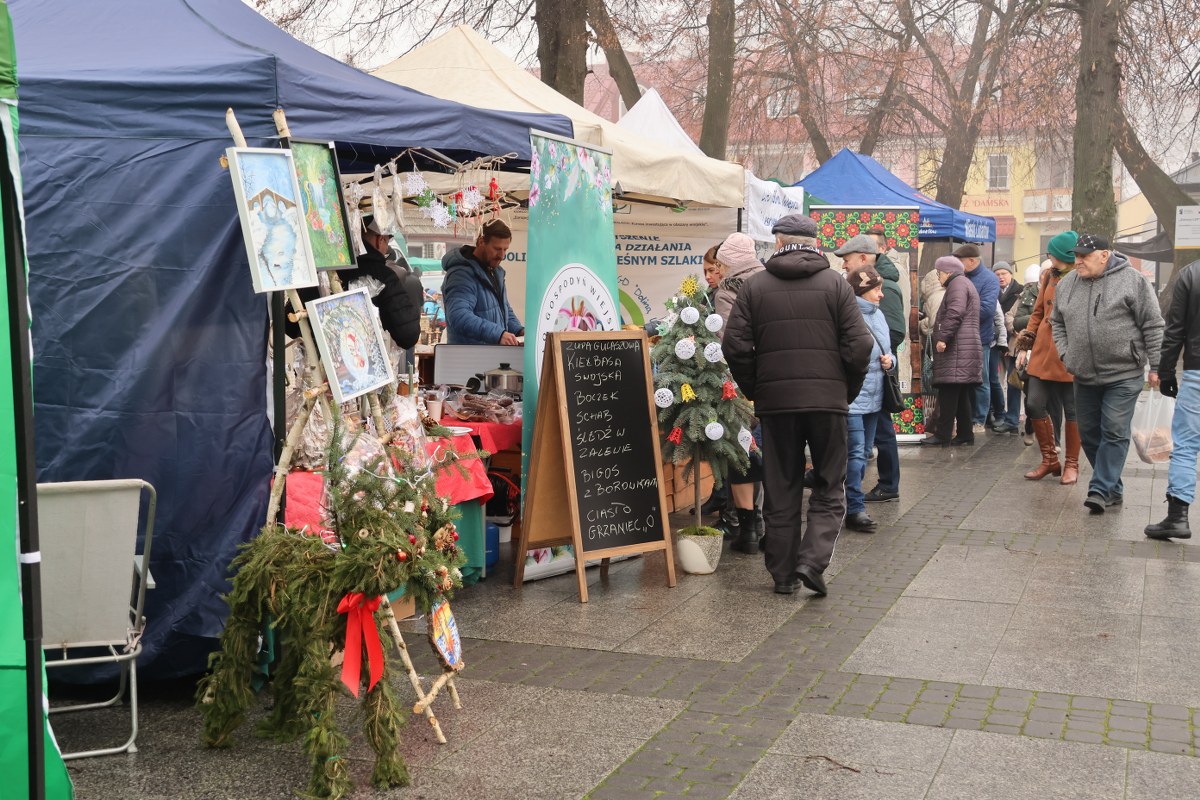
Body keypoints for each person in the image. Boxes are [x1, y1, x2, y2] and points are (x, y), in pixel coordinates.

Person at [724, 214, 873, 596]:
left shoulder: (755, 287)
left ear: (778, 243)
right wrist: (845, 390)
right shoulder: (836, 285)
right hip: (827, 403)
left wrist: (758, 388)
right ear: (814, 243)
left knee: (781, 486)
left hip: (777, 407)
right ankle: (812, 560)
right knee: (829, 483)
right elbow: (860, 345)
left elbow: (734, 346)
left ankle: (783, 574)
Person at [1052, 233, 1164, 513]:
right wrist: (1066, 354)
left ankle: (1100, 489)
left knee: (1114, 430)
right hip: (1083, 374)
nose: (1078, 261)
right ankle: (1113, 488)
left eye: (1084, 256)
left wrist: (1157, 365)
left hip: (1124, 373)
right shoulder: (1066, 285)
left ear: (1104, 255)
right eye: (1076, 256)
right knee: (1089, 433)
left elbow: (1153, 324)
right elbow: (1057, 323)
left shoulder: (1133, 281)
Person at [712, 232, 765, 553]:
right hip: (775, 380)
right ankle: (766, 524)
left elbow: (729, 340)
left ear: (729, 262)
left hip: (741, 384)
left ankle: (749, 529)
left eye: (720, 263)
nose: (718, 269)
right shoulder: (771, 281)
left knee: (741, 452)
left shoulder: (728, 290)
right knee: (767, 451)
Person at [1016, 235, 1080, 482]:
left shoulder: (1082, 276)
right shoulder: (1049, 276)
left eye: (1052, 253)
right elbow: (1038, 312)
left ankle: (1071, 464)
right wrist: (1025, 345)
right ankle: (1050, 460)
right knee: (1034, 403)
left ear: (1063, 254)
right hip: (1043, 350)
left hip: (1070, 352)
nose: (1049, 257)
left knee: (1072, 410)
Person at [1146, 260, 1200, 540]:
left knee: (1186, 446)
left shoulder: (1191, 274)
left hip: (1197, 371)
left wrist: (1166, 372)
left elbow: (1175, 329)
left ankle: (1178, 516)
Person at [844, 267, 894, 533]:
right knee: (855, 453)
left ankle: (842, 498)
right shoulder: (847, 315)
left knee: (863, 453)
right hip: (853, 398)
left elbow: (889, 350)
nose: (881, 294)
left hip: (876, 397)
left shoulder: (879, 314)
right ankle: (854, 508)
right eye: (876, 289)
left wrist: (890, 361)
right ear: (862, 291)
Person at [339, 214, 423, 350]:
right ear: (380, 240)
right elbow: (408, 335)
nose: (386, 250)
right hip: (364, 355)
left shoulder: (330, 270)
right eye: (387, 243)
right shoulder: (384, 276)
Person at [923, 256, 981, 446]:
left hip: (957, 348)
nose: (938, 277)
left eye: (939, 273)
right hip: (964, 347)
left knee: (948, 392)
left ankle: (943, 435)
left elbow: (955, 312)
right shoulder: (964, 283)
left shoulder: (957, 284)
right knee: (961, 394)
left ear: (948, 272)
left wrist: (943, 338)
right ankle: (965, 434)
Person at [865, 225, 903, 504]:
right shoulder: (873, 280)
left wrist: (880, 354)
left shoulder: (886, 285)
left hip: (880, 369)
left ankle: (889, 484)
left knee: (883, 429)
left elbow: (895, 331)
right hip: (872, 370)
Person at [442, 219, 523, 345]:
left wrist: (519, 330)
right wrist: (498, 334)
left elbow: (504, 310)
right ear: (481, 242)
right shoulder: (461, 275)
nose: (502, 255)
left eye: (505, 249)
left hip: (490, 354)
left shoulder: (495, 272)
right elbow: (458, 316)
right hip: (470, 355)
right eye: (497, 249)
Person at [954, 244, 1000, 432]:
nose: (957, 264)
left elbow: (987, 310)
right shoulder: (959, 276)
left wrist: (958, 313)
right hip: (958, 338)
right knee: (962, 381)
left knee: (981, 380)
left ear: (972, 261)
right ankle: (965, 418)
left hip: (980, 338)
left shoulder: (989, 279)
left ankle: (979, 419)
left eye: (960, 261)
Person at [1008, 262, 1046, 446]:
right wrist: (1040, 316)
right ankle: (1030, 427)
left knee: (1056, 401)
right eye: (1044, 273)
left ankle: (1052, 440)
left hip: (1054, 352)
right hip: (1032, 350)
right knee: (1031, 396)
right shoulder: (1028, 295)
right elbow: (1015, 320)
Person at [992, 262, 1022, 433]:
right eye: (997, 274)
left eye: (1004, 273)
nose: (1001, 277)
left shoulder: (1021, 291)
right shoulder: (992, 291)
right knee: (999, 379)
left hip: (1015, 342)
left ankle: (1016, 416)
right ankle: (1003, 414)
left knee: (1015, 381)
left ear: (1011, 274)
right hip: (997, 340)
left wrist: (1014, 330)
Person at [918, 266, 947, 434]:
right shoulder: (946, 293)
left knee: (941, 388)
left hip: (940, 348)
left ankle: (938, 425)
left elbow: (935, 324)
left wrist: (921, 323)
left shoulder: (934, 297)